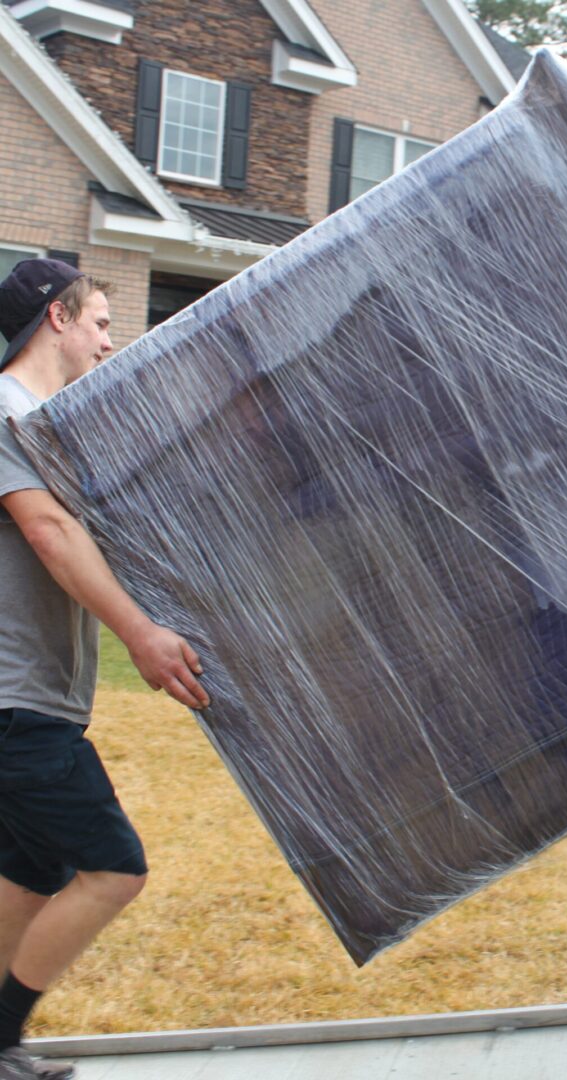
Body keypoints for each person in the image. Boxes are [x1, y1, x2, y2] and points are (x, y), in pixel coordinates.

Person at [0, 259, 210, 1080]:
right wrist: (141, 636)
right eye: (99, 322)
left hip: (35, 698)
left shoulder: (42, 422)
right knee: (115, 867)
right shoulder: (6, 413)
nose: (108, 339)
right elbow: (51, 534)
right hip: (16, 703)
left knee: (26, 872)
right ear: (57, 317)